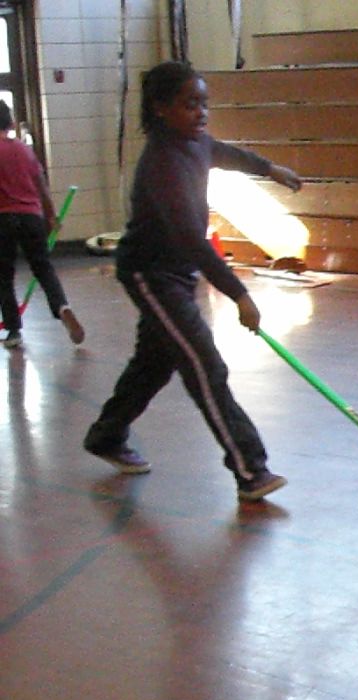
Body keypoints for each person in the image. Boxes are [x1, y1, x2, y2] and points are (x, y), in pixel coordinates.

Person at [82, 61, 301, 501]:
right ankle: (249, 469)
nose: (200, 113)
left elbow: (222, 152)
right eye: (189, 105)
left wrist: (269, 168)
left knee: (154, 363)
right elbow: (191, 240)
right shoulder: (161, 163)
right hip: (152, 274)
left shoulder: (193, 142)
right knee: (205, 365)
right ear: (161, 108)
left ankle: (106, 436)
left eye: (203, 103)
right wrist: (239, 294)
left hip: (177, 273)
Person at [0, 100, 85, 350]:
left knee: (4, 277)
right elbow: (41, 186)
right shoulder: (24, 150)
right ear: (12, 123)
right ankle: (63, 308)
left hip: (3, 219)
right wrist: (51, 216)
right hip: (31, 217)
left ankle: (14, 330)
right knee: (44, 269)